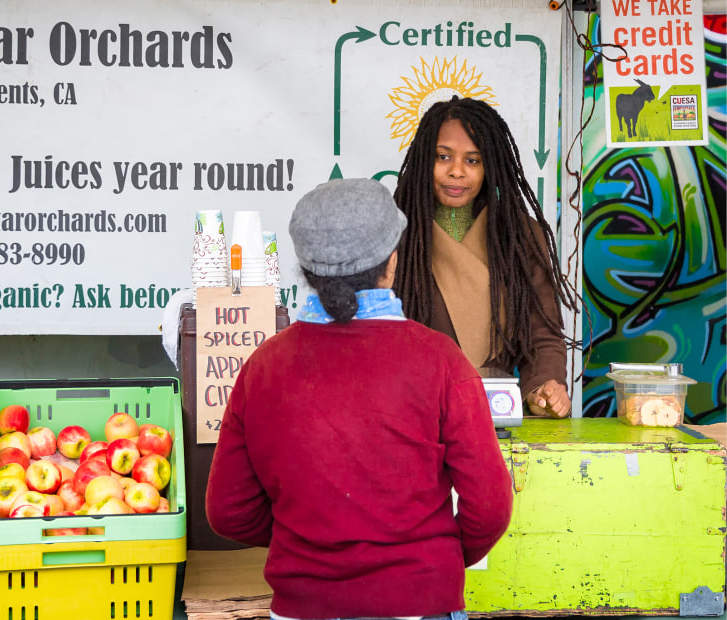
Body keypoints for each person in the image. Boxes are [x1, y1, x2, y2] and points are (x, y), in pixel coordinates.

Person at [205, 178, 513, 620]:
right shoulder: (441, 360)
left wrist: (308, 542)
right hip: (421, 601)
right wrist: (433, 560)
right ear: (391, 262)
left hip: (303, 606)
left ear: (307, 270)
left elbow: (228, 512)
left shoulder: (263, 367)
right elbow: (490, 505)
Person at [393, 96, 577, 418]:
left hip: (492, 416)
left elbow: (543, 336)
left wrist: (542, 388)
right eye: (443, 157)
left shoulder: (518, 236)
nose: (456, 172)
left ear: (490, 166)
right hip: (411, 413)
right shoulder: (396, 232)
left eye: (472, 161)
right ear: (425, 159)